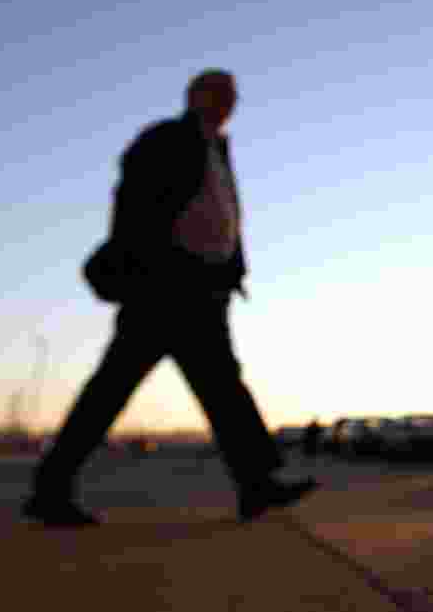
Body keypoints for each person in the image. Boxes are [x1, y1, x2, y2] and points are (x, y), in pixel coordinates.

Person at [22, 69, 316, 527]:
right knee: (117, 388)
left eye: (232, 95)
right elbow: (133, 205)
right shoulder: (167, 138)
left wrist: (232, 271)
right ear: (194, 96)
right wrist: (147, 267)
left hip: (205, 289)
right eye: (218, 92)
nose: (228, 102)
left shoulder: (218, 149)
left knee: (221, 388)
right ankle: (50, 488)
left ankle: (257, 485)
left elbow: (223, 218)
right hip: (163, 287)